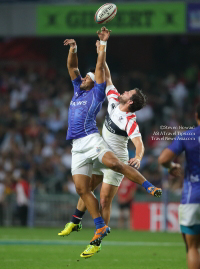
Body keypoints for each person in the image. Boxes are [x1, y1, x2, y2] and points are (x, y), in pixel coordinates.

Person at [59, 34, 162, 258]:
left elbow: (139, 143)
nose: (124, 91)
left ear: (131, 102)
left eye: (128, 93)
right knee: (85, 189)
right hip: (98, 152)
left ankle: (96, 240)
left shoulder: (130, 121)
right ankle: (76, 221)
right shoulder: (114, 99)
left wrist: (140, 156)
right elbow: (105, 73)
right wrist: (100, 51)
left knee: (104, 198)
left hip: (114, 156)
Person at [158, 103, 200, 269]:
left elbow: (163, 159)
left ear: (196, 116)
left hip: (194, 197)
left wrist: (172, 167)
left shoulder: (187, 136)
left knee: (193, 247)